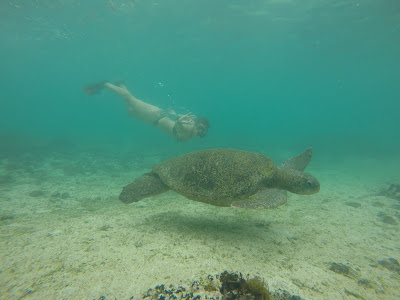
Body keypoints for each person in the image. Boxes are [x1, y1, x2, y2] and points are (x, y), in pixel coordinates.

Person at [83, 81, 209, 141]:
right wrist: (178, 120)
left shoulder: (190, 129)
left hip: (154, 119)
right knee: (130, 99)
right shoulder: (188, 128)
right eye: (201, 128)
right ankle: (106, 85)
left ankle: (121, 84)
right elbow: (179, 126)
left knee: (130, 112)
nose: (200, 132)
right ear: (197, 124)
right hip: (155, 116)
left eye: (203, 132)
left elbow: (179, 125)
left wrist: (176, 116)